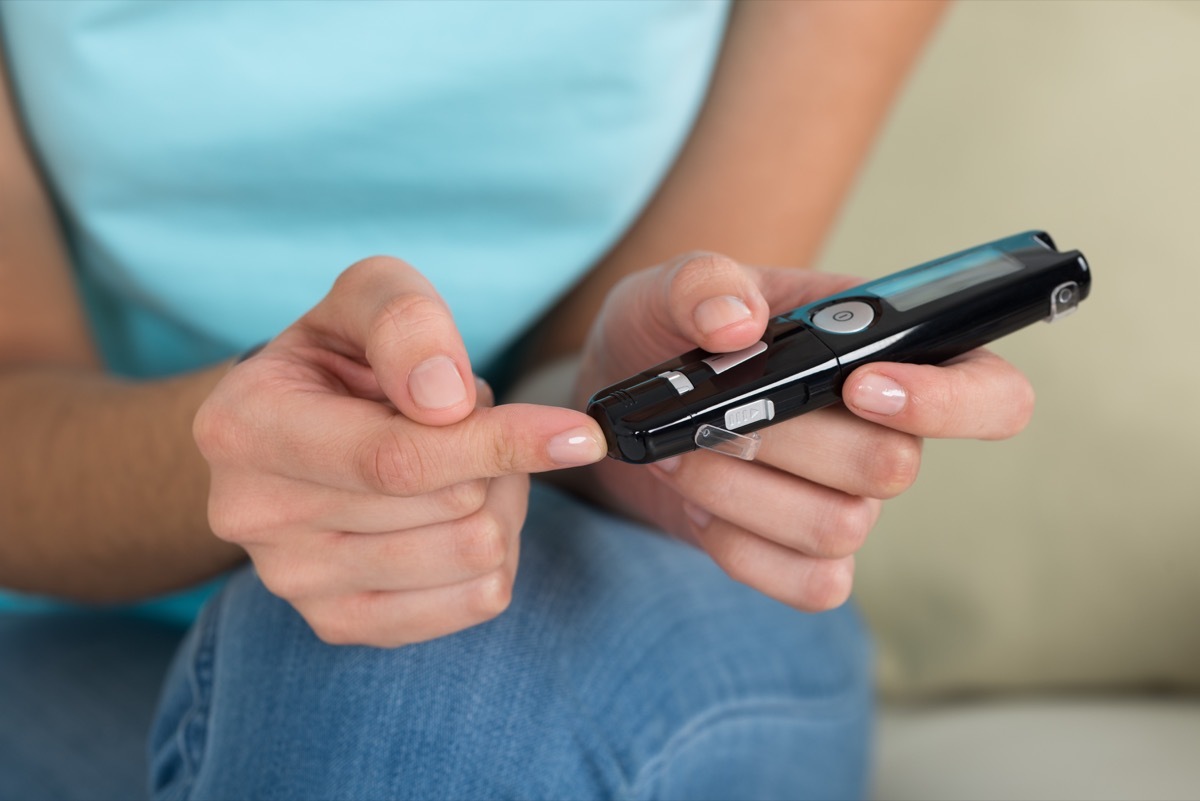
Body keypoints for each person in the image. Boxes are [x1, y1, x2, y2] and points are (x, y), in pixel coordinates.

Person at [0, 1, 1034, 799]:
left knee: (407, 670)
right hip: (77, 619)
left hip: (620, 594)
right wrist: (247, 461)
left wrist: (616, 420)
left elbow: (609, 401)